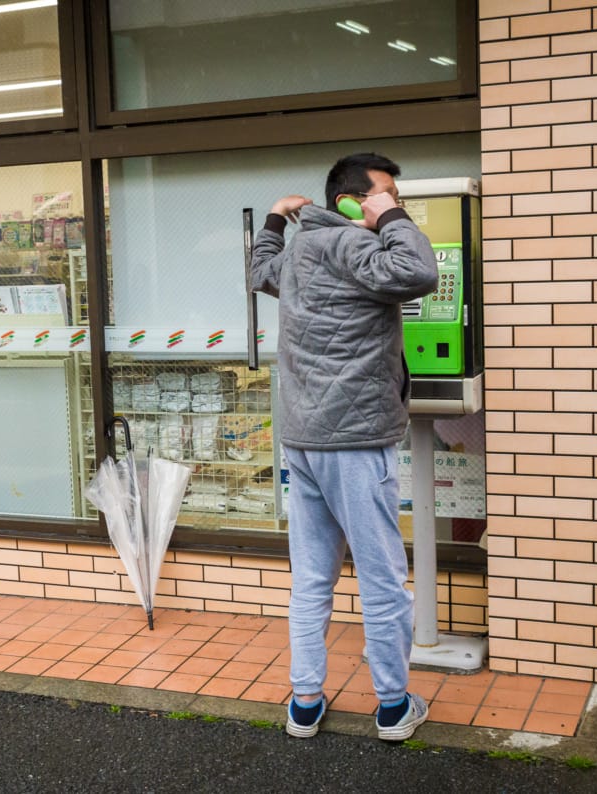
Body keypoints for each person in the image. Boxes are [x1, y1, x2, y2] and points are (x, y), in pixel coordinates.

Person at [249, 152, 438, 742]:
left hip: (303, 440)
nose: (394, 203)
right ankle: (391, 706)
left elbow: (259, 270)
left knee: (311, 577)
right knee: (382, 577)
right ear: (352, 202)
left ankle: (304, 702)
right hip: (356, 444)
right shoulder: (359, 248)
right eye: (386, 194)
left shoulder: (302, 251)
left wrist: (277, 219)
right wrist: (392, 221)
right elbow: (420, 273)